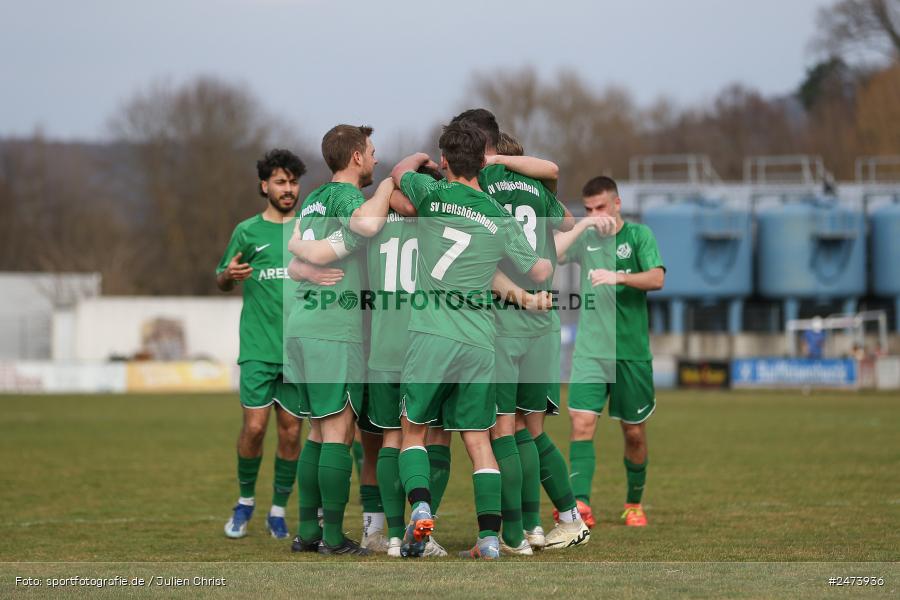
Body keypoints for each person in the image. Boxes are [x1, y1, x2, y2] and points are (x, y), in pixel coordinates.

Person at [390, 122, 553, 559]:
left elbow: (398, 171)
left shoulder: (431, 193)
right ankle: (488, 540)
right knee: (480, 441)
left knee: (414, 433)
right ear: (484, 160)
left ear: (445, 160)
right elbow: (537, 271)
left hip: (430, 335)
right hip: (479, 340)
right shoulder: (497, 215)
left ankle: (420, 507)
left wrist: (420, 162)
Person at [452, 109, 592, 552]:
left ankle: (514, 533)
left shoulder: (474, 187)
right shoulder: (536, 185)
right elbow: (566, 223)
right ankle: (548, 523)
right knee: (532, 432)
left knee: (503, 431)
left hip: (501, 319)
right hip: (544, 322)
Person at [284, 124, 394, 556]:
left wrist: (305, 265)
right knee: (338, 432)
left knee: (315, 431)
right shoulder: (347, 196)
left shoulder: (311, 198)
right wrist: (386, 187)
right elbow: (367, 225)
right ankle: (331, 538)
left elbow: (294, 259)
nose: (375, 158)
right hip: (334, 327)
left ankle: (308, 532)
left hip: (302, 324)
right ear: (355, 158)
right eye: (371, 152)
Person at [554, 176, 665, 528]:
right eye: (588, 208)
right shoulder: (585, 236)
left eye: (600, 207)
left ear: (617, 204)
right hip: (590, 351)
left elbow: (657, 279)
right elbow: (552, 254)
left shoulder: (639, 237)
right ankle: (581, 505)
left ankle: (633, 502)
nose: (595, 214)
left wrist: (618, 277)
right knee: (581, 423)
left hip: (631, 353)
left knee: (634, 433)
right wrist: (582, 224)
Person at [216, 149, 308, 540]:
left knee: (290, 433)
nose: (289, 190)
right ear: (264, 186)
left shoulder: (308, 230)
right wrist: (229, 275)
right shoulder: (247, 231)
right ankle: (244, 502)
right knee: (254, 429)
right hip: (257, 349)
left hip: (299, 352)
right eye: (281, 182)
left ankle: (277, 510)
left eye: (293, 182)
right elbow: (222, 275)